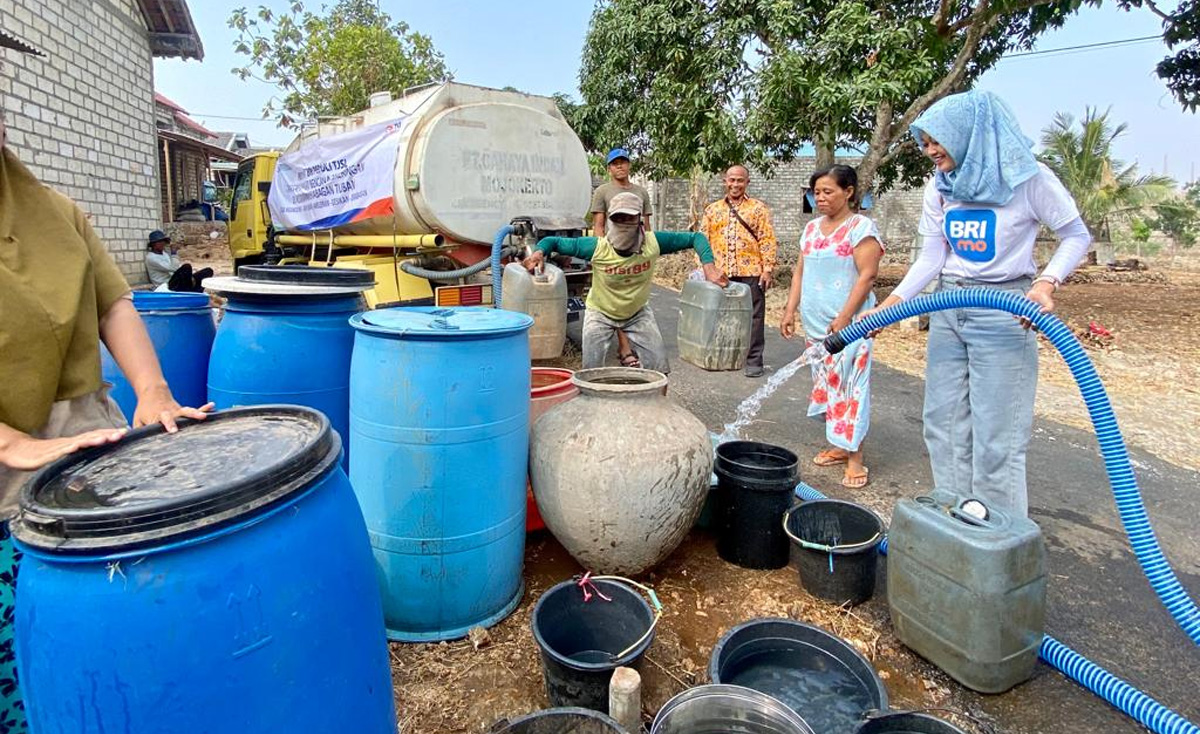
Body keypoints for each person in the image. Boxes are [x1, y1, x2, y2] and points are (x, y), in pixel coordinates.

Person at [1, 31, 211, 730]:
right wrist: (10, 443)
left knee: (117, 649)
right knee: (27, 667)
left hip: (80, 445)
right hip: (8, 469)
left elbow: (111, 301)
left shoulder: (56, 215)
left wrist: (152, 392)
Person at [860, 90, 1091, 517]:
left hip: (1005, 310)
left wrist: (1045, 284)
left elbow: (1076, 235)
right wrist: (890, 305)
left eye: (936, 141)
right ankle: (956, 518)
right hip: (950, 306)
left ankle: (999, 538)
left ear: (967, 134)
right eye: (924, 142)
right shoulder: (942, 185)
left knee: (996, 437)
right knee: (942, 424)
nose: (929, 151)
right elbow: (932, 256)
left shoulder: (1027, 178)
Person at [525, 192, 727, 373]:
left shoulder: (654, 243)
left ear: (639, 219)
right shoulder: (596, 248)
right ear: (610, 221)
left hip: (637, 313)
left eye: (629, 217)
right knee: (590, 372)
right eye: (618, 218)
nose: (623, 222)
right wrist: (539, 252)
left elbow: (696, 238)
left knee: (659, 368)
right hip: (600, 314)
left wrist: (709, 268)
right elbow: (553, 242)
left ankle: (657, 409)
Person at [780, 166, 884, 488]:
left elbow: (868, 275)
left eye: (828, 192)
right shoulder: (811, 230)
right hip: (816, 326)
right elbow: (800, 272)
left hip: (851, 326)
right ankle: (841, 446)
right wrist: (789, 310)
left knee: (852, 389)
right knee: (830, 387)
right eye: (816, 192)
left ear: (848, 192)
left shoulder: (860, 227)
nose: (820, 198)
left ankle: (856, 460)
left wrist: (844, 317)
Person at [699, 165, 778, 377]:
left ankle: (753, 361)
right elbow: (701, 240)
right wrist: (703, 269)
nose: (735, 184)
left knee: (754, 317)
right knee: (719, 315)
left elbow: (767, 239)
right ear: (725, 181)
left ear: (747, 182)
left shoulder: (758, 209)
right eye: (731, 180)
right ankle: (721, 357)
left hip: (751, 271)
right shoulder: (712, 210)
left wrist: (767, 268)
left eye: (740, 180)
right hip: (720, 273)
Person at [590, 148, 654, 367]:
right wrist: (602, 255)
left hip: (635, 252)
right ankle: (624, 349)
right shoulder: (603, 192)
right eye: (614, 163)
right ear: (609, 168)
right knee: (612, 300)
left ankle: (633, 345)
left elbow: (646, 225)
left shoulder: (641, 192)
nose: (619, 166)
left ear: (629, 165)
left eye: (623, 162)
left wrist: (648, 250)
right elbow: (598, 226)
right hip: (612, 254)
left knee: (634, 299)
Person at [145, 230, 213, 292]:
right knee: (186, 267)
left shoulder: (164, 254)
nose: (163, 244)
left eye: (163, 242)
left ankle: (195, 291)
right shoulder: (151, 258)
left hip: (174, 280)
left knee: (208, 271)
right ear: (153, 244)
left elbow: (175, 268)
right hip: (166, 284)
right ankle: (188, 291)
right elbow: (173, 268)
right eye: (160, 242)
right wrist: (174, 253)